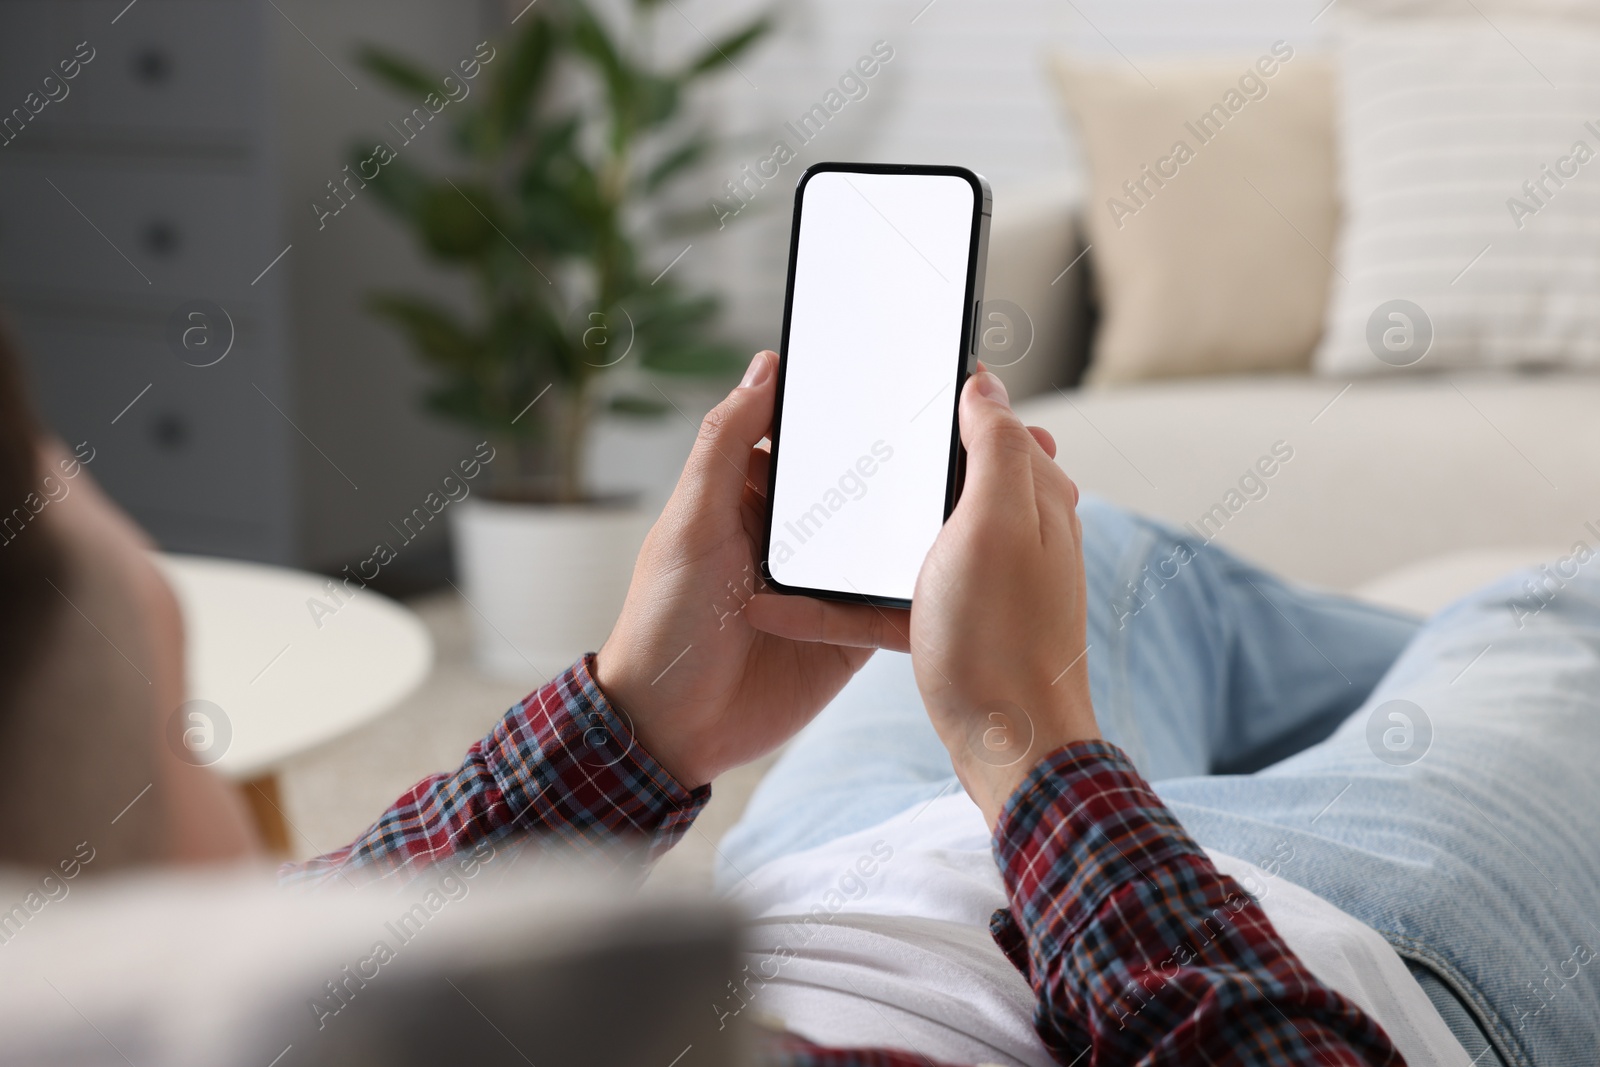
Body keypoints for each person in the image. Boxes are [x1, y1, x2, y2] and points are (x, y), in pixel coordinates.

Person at [283, 350, 1600, 1067]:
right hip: (1311, 939)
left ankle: (1406, 718)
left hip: (839, 874)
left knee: (1109, 553)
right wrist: (1026, 738)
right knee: (1543, 611)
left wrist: (640, 718)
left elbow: (285, 966)